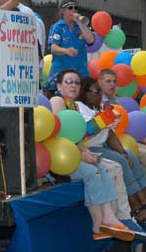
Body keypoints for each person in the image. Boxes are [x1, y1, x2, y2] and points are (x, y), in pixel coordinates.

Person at [49, 69, 136, 241]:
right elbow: (62, 136)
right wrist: (82, 155)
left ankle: (108, 218)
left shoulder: (73, 106)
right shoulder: (58, 101)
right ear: (59, 86)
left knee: (101, 168)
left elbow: (77, 135)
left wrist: (85, 152)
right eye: (69, 82)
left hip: (74, 153)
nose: (73, 85)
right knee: (94, 172)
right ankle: (101, 223)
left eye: (76, 82)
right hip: (61, 158)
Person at [76, 77, 146, 226]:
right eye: (97, 91)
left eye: (100, 91)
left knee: (131, 157)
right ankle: (136, 206)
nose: (100, 94)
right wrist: (106, 118)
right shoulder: (79, 107)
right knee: (120, 162)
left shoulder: (98, 107)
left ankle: (145, 200)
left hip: (102, 146)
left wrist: (123, 151)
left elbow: (111, 135)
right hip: (88, 148)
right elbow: (88, 129)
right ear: (85, 93)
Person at [97, 69, 146, 217]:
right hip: (111, 143)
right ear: (99, 82)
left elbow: (126, 125)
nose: (112, 84)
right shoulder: (98, 102)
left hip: (125, 139)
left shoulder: (116, 100)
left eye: (114, 81)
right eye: (108, 81)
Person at [44, 0, 95, 92]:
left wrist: (80, 23)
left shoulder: (80, 27)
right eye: (70, 8)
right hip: (62, 75)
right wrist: (66, 51)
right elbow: (53, 48)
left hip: (81, 74)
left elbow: (91, 40)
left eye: (76, 8)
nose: (74, 10)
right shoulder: (57, 27)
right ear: (63, 11)